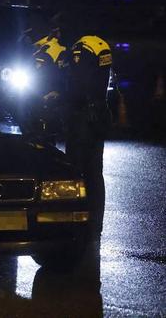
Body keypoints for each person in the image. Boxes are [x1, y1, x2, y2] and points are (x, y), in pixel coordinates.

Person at [65, 33, 113, 238]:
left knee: (76, 169)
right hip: (100, 112)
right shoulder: (102, 45)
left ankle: (77, 221)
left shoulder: (81, 47)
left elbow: (78, 83)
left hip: (83, 115)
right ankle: (96, 222)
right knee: (95, 172)